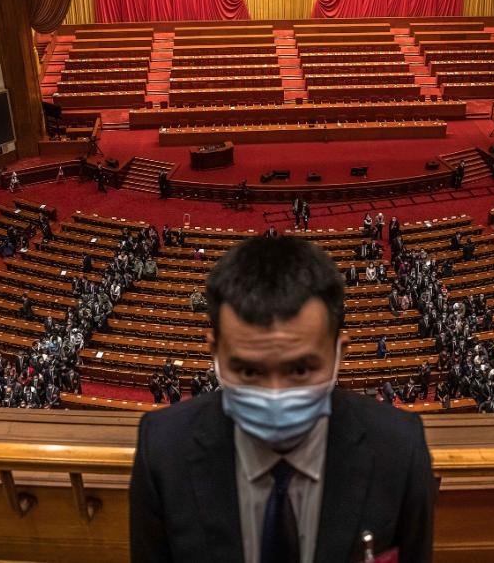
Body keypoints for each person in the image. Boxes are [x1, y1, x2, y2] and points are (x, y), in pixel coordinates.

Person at [129, 237, 434, 563]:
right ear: (215, 352)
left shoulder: (399, 447)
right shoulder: (162, 449)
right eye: (248, 371)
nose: (275, 393)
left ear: (338, 354)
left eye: (300, 369)